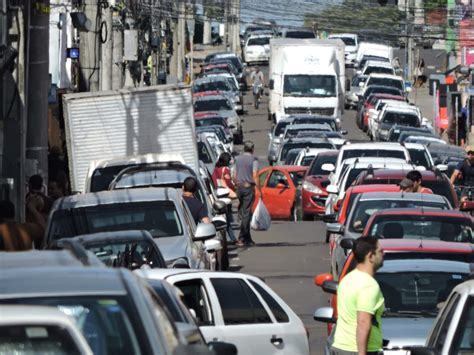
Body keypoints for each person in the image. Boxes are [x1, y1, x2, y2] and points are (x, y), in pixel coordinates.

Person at [331, 236, 385, 355]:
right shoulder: (369, 285)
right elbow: (363, 322)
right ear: (370, 256)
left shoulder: (347, 280)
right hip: (360, 350)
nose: (383, 254)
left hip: (340, 346)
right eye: (380, 251)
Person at [233, 141, 260, 247]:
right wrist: (259, 189)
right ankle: (241, 238)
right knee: (246, 214)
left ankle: (247, 238)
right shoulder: (254, 159)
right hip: (248, 187)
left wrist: (236, 183)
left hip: (239, 187)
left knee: (244, 212)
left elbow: (234, 174)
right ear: (252, 149)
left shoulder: (237, 159)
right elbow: (255, 174)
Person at [212, 153, 237, 243]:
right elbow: (228, 181)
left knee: (222, 217)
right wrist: (234, 187)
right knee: (228, 219)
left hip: (217, 194)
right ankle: (233, 238)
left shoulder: (215, 169)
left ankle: (230, 237)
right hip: (225, 195)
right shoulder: (225, 169)